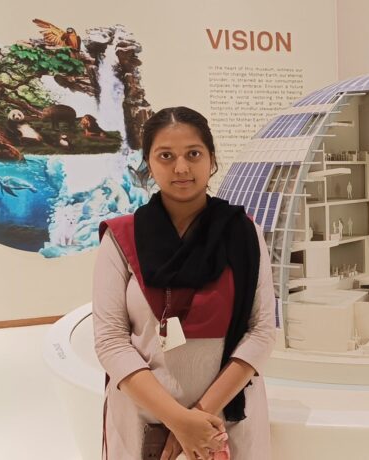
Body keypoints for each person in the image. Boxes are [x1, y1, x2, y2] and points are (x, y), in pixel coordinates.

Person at [93, 107, 276, 459]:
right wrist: (177, 419)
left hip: (225, 420)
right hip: (142, 420)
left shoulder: (243, 233)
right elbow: (110, 341)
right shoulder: (121, 238)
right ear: (148, 163)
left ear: (211, 159)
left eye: (193, 154)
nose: (181, 168)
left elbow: (261, 331)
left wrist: (197, 419)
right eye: (166, 156)